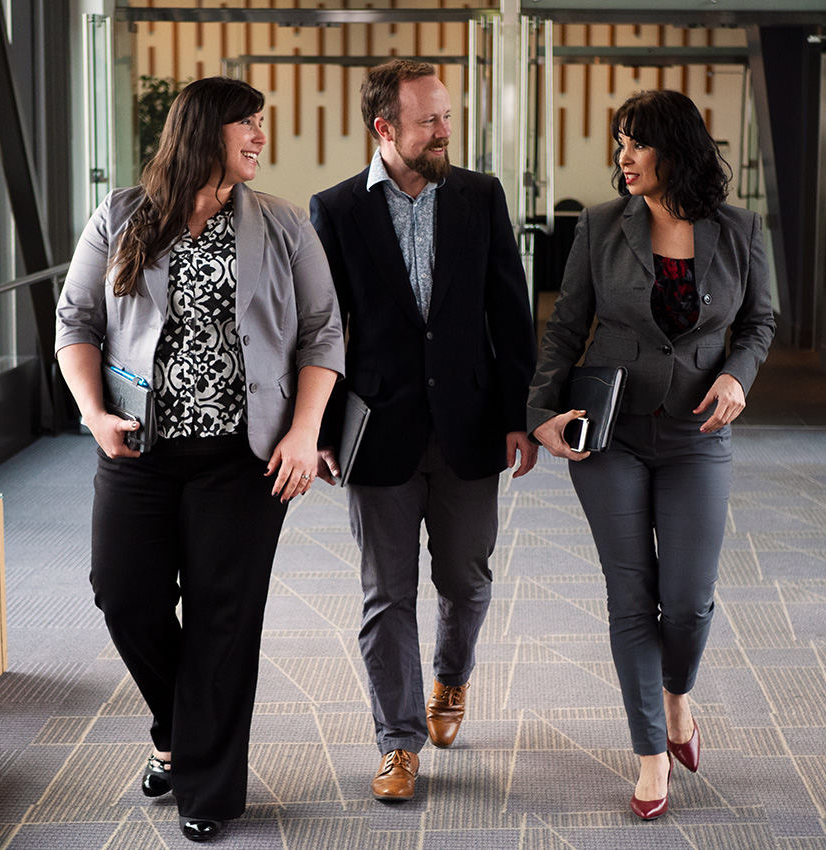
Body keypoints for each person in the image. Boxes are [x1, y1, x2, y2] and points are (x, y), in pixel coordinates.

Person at [54, 77, 344, 843]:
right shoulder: (121, 215)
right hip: (137, 444)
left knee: (223, 614)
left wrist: (303, 432)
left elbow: (323, 334)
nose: (258, 135)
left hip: (243, 456)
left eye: (260, 123)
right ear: (202, 130)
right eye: (246, 123)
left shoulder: (283, 223)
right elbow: (76, 321)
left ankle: (206, 791)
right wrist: (92, 414)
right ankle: (177, 730)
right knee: (123, 594)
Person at [527, 89, 774, 820]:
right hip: (614, 434)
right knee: (631, 592)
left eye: (637, 143)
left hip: (699, 435)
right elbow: (567, 325)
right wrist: (541, 411)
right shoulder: (602, 226)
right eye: (619, 144)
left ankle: (677, 701)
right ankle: (650, 754)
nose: (623, 159)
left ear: (677, 148)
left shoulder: (739, 230)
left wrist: (738, 373)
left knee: (691, 600)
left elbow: (760, 322)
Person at [309, 59, 537, 802]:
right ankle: (397, 740)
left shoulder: (479, 196)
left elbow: (511, 315)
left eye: (447, 116)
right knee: (386, 594)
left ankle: (451, 676)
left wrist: (516, 418)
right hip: (377, 430)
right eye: (429, 121)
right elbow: (323, 332)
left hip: (470, 423)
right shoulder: (336, 210)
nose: (446, 131)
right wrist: (318, 429)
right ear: (385, 129)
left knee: (465, 582)